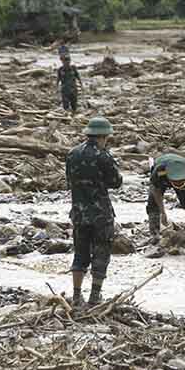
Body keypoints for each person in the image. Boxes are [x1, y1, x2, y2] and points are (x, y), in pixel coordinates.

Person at [66, 117, 123, 307]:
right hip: (101, 213)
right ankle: (94, 297)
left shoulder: (72, 153)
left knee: (80, 254)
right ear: (104, 136)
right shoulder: (103, 155)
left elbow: (69, 180)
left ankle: (75, 296)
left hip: (79, 212)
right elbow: (116, 182)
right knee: (101, 253)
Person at [147, 153, 185, 244]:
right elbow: (156, 191)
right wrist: (163, 212)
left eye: (180, 182)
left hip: (182, 174)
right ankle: (154, 235)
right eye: (176, 182)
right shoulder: (160, 172)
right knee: (152, 204)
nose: (178, 184)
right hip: (162, 173)